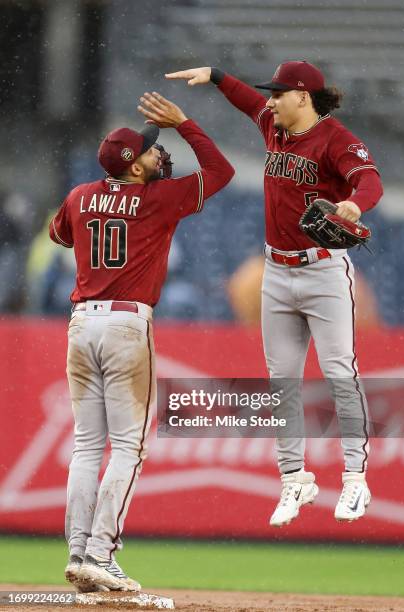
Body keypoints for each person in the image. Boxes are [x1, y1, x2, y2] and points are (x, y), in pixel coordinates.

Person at [166, 63, 383, 526]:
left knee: (339, 373)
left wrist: (354, 203)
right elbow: (247, 100)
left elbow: (371, 180)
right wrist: (218, 76)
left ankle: (354, 479)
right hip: (276, 274)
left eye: (278, 93)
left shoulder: (336, 140)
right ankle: (294, 481)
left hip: (323, 273)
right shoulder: (274, 124)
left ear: (302, 97)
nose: (269, 101)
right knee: (282, 382)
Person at [49, 92, 234, 592]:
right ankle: (100, 554)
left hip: (80, 325)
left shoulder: (80, 195)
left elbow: (58, 234)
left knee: (88, 445)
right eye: (151, 151)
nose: (159, 154)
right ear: (133, 168)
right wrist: (186, 123)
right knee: (129, 446)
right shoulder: (157, 199)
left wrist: (98, 215)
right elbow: (221, 172)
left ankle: (77, 551)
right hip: (127, 325)